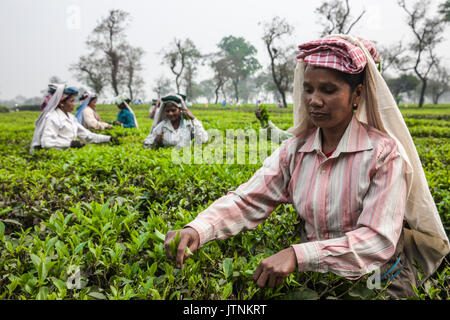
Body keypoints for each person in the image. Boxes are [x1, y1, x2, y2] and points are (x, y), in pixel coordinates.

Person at [163, 35, 449, 299]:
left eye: (328, 90)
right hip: (314, 277)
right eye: (308, 89)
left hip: (379, 279)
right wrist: (198, 229)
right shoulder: (295, 150)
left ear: (357, 94)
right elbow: (248, 199)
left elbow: (376, 240)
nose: (314, 100)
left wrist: (298, 255)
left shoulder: (384, 154)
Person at [30, 84, 119, 152]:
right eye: (71, 101)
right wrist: (70, 144)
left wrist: (108, 138)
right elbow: (47, 142)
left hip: (66, 155)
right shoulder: (52, 118)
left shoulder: (71, 118)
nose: (74, 104)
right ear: (61, 103)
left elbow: (88, 136)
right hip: (52, 159)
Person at [143, 94, 209, 149]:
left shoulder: (188, 124)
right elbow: (146, 144)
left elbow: (203, 139)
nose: (170, 113)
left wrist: (193, 118)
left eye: (173, 110)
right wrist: (156, 141)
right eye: (167, 111)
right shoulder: (162, 126)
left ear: (180, 110)